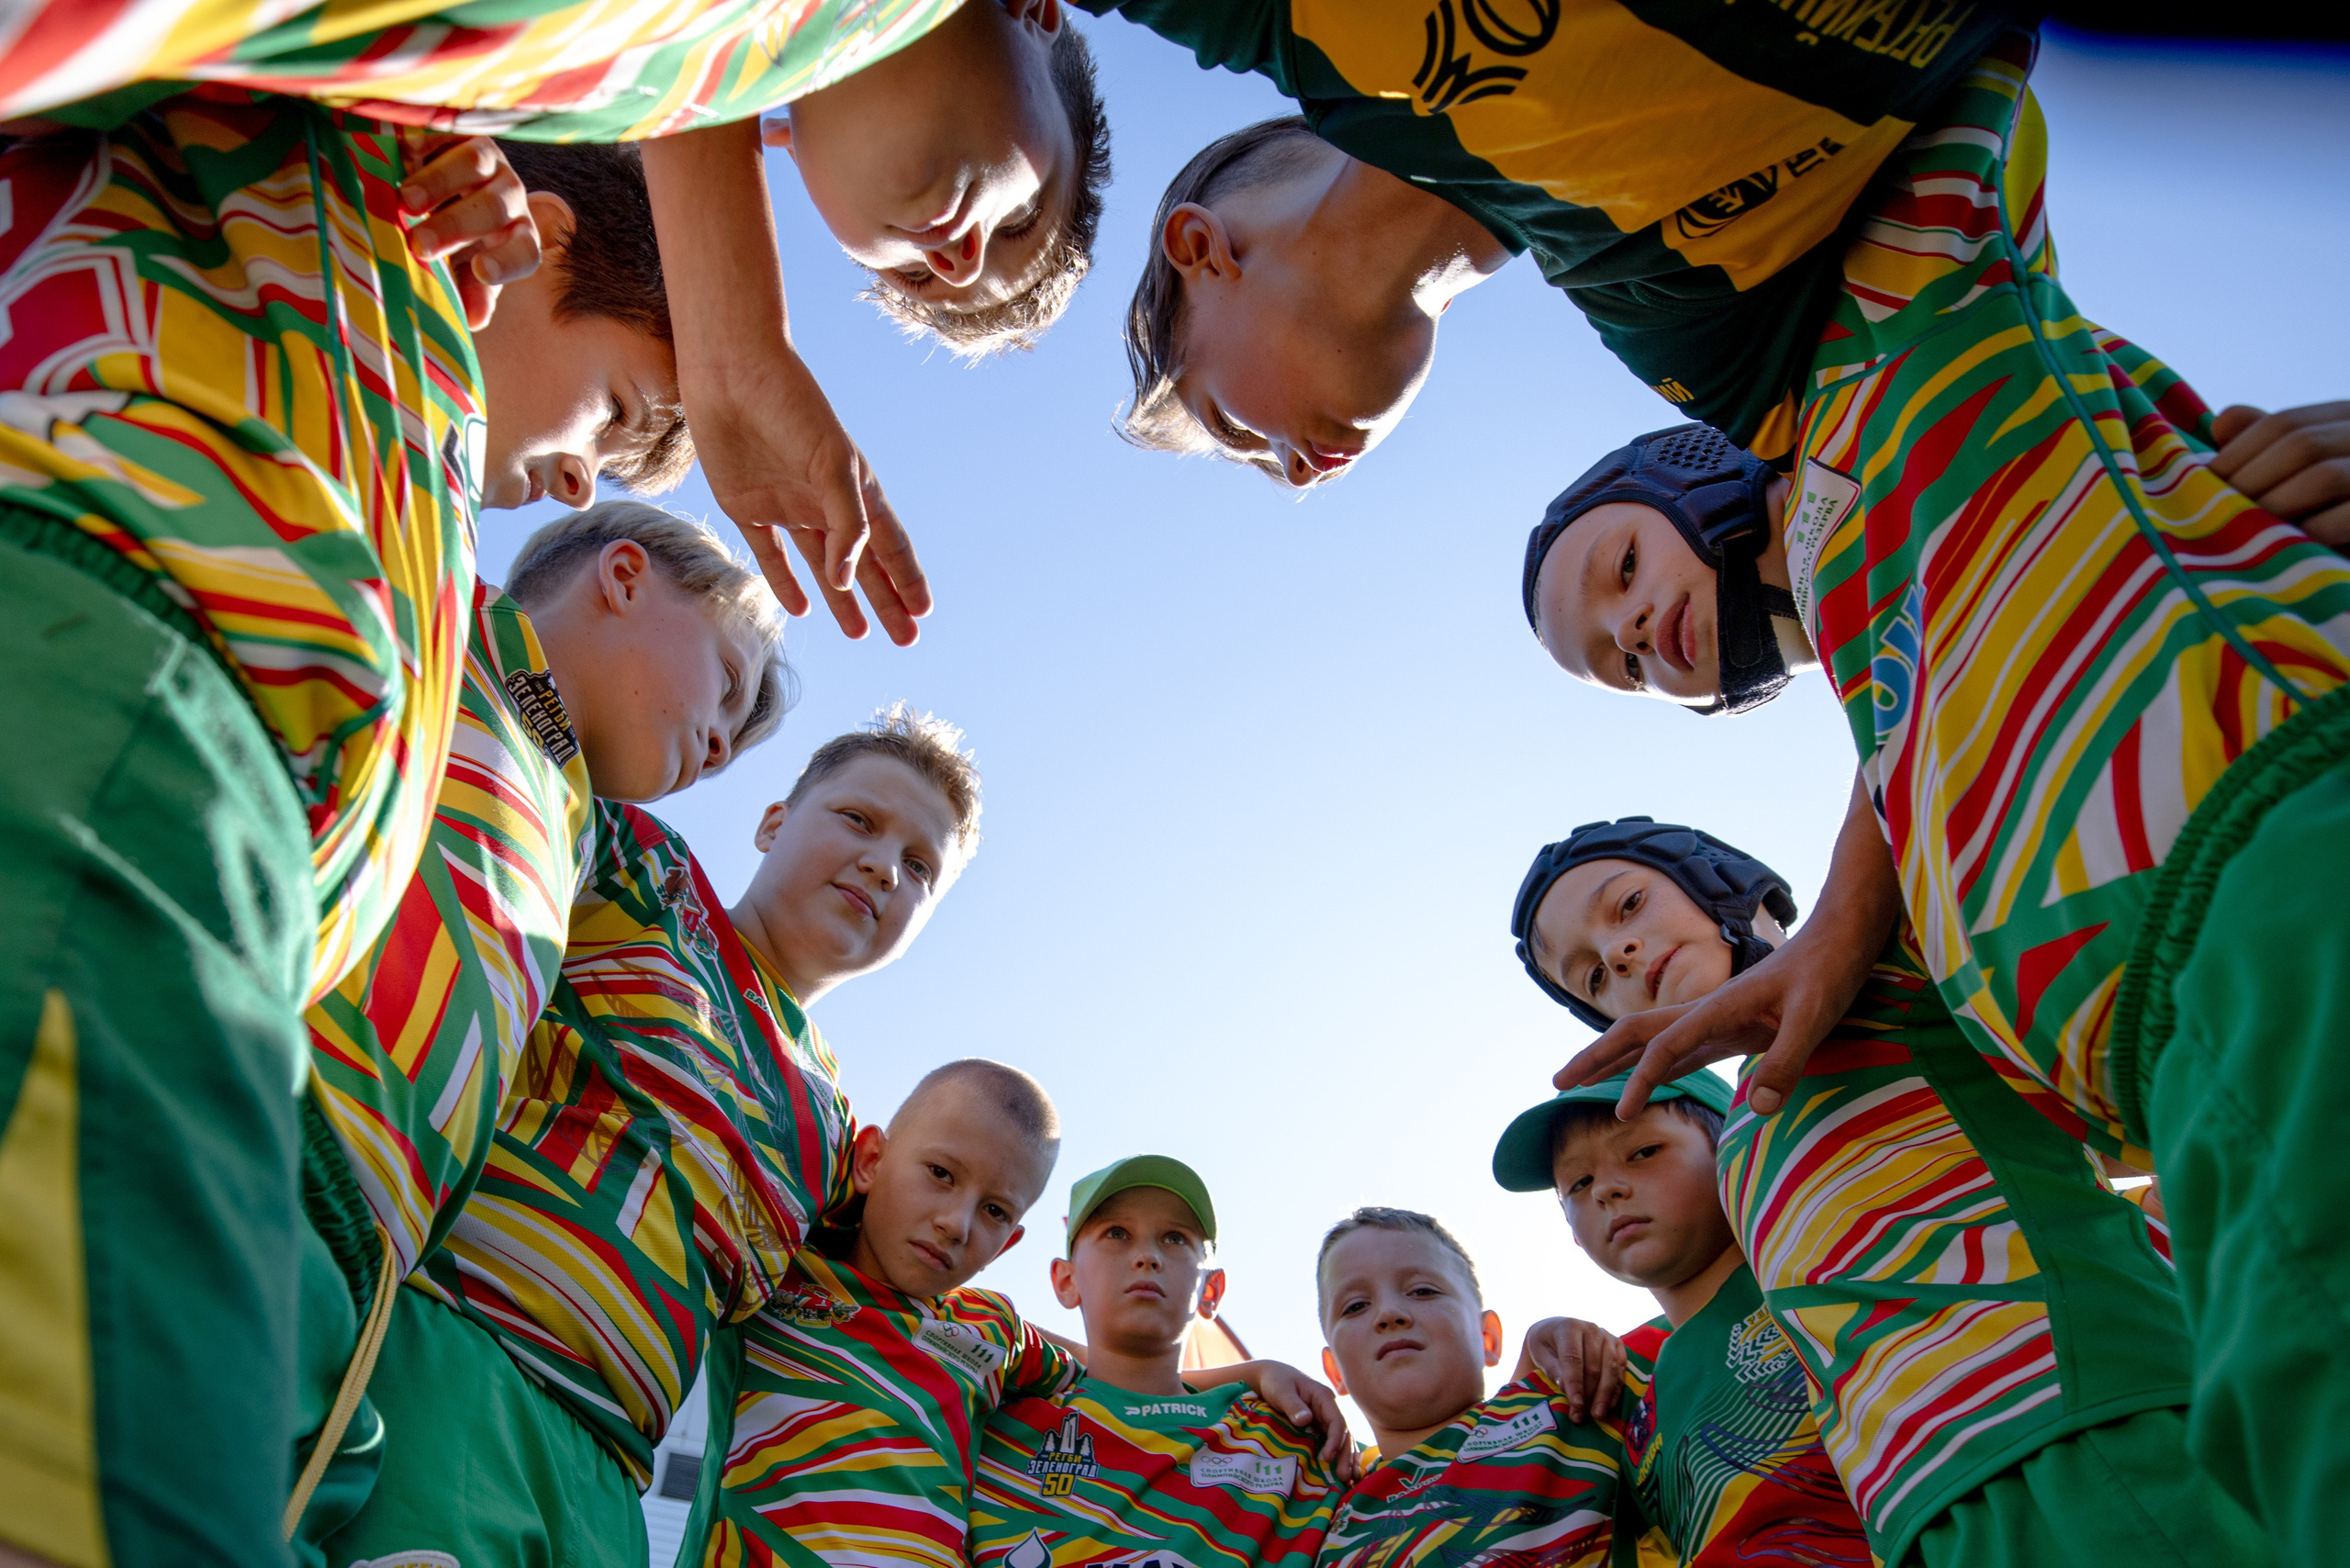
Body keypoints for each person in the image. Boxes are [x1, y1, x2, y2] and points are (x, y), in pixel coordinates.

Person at [0, 93, 551, 1568]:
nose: (590, 469)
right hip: (136, 730)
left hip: (200, 842)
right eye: (634, 420)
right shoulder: (515, 654)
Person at [6, 0, 1117, 638]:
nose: (958, 253)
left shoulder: (601, 77)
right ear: (1028, 9)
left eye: (920, 281)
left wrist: (732, 353)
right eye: (1020, 220)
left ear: (784, 146)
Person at [296, 137, 781, 1542]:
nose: (724, 741)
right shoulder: (439, 583)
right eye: (732, 693)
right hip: (260, 1088)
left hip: (375, 1231)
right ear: (627, 579)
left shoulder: (586, 827)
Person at [1504, 818, 2270, 1566]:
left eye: (1629, 904)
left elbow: (1902, 760)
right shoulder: (1741, 1138)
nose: (1619, 951)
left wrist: (1840, 925)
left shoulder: (1896, 971)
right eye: (1593, 976)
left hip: (2084, 1425)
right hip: (1923, 1512)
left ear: (1724, 881)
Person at [316, 706, 981, 1568]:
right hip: (463, 1356)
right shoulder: (645, 872)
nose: (884, 865)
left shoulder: (832, 1128)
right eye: (859, 819)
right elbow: (502, 754)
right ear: (772, 821)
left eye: (921, 867)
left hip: (614, 1474)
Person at [1080, 0, 2025, 486]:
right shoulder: (1680, 324)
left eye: (1231, 426)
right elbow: (1878, 505)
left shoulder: (1332, 28)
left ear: (1201, 248)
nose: (1290, 478)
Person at [682, 1073, 1342, 1568]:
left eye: (995, 1211)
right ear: (872, 1159)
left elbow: (1108, 1369)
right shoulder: (777, 1265)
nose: (956, 1222)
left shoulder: (988, 1330)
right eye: (940, 1173)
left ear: (1012, 1243)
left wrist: (1249, 1372)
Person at [967, 1157, 1348, 1568]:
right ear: (1066, 1280)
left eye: (1175, 1238)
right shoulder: (992, 1418)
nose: (1147, 1255)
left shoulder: (1288, 1436)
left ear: (1211, 1289)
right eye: (1117, 1233)